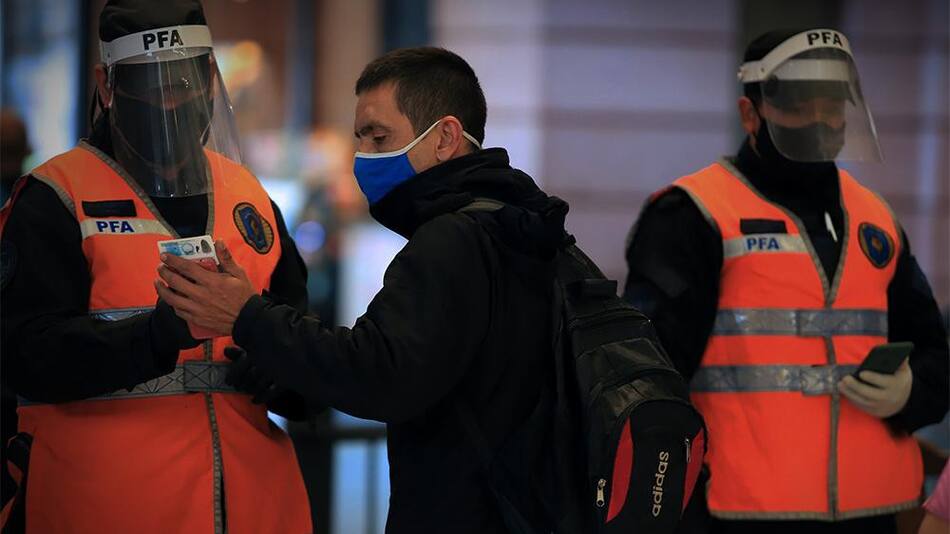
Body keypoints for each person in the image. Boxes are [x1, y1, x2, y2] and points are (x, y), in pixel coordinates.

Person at [156, 46, 570, 534]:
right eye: (362, 139)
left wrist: (247, 315)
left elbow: (379, 372)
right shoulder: (519, 223)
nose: (364, 158)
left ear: (446, 138)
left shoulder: (452, 238)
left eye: (380, 138)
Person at [0, 1, 312, 532]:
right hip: (105, 506)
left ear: (209, 78)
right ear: (108, 83)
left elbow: (308, 338)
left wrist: (283, 371)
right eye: (153, 81)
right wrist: (156, 336)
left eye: (185, 78)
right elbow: (24, 355)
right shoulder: (56, 199)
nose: (173, 99)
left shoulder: (250, 197)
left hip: (255, 506)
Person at [623, 28, 949, 534]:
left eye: (834, 106)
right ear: (750, 114)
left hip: (872, 512)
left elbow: (935, 352)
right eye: (800, 106)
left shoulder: (874, 218)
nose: (822, 122)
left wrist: (911, 388)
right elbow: (650, 384)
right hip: (737, 512)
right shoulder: (693, 215)